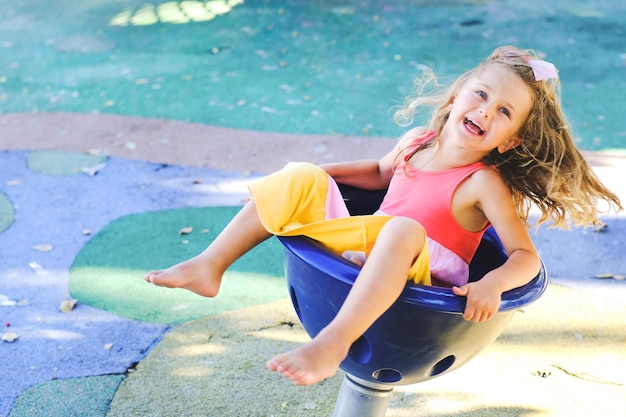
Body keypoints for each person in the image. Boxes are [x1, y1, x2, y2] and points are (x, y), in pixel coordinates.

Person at [144, 46, 622, 386]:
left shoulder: (481, 182)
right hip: (372, 242)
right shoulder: (417, 141)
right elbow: (376, 174)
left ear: (510, 140)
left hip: (422, 275)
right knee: (301, 175)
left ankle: (332, 344)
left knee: (403, 230)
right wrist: (307, 177)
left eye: (503, 112)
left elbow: (525, 256)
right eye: (480, 95)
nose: (484, 111)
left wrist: (492, 284)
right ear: (456, 95)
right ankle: (210, 265)